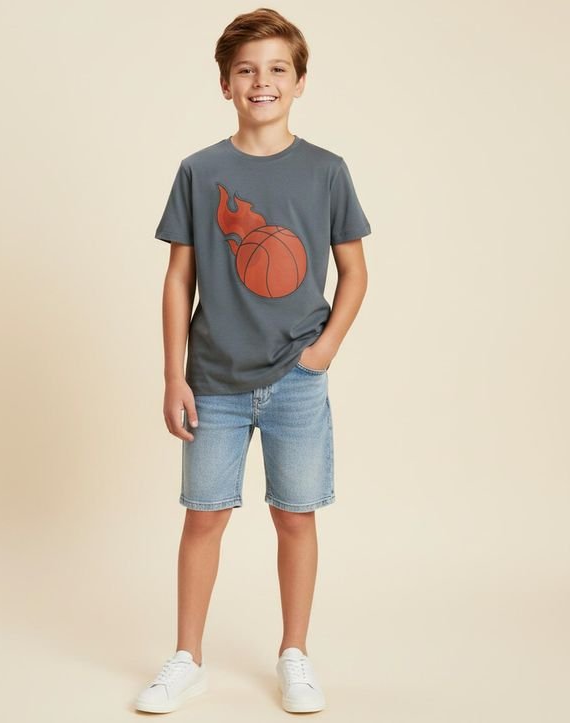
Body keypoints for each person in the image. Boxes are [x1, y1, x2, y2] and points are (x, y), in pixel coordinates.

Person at [134, 6, 372, 715]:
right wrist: (173, 374)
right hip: (213, 380)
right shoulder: (200, 171)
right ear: (225, 84)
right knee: (203, 517)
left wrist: (323, 351)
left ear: (299, 82)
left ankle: (294, 653)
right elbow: (179, 278)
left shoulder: (327, 171)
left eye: (276, 70)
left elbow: (355, 271)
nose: (261, 82)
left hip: (297, 380)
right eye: (246, 71)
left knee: (295, 517)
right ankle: (187, 659)